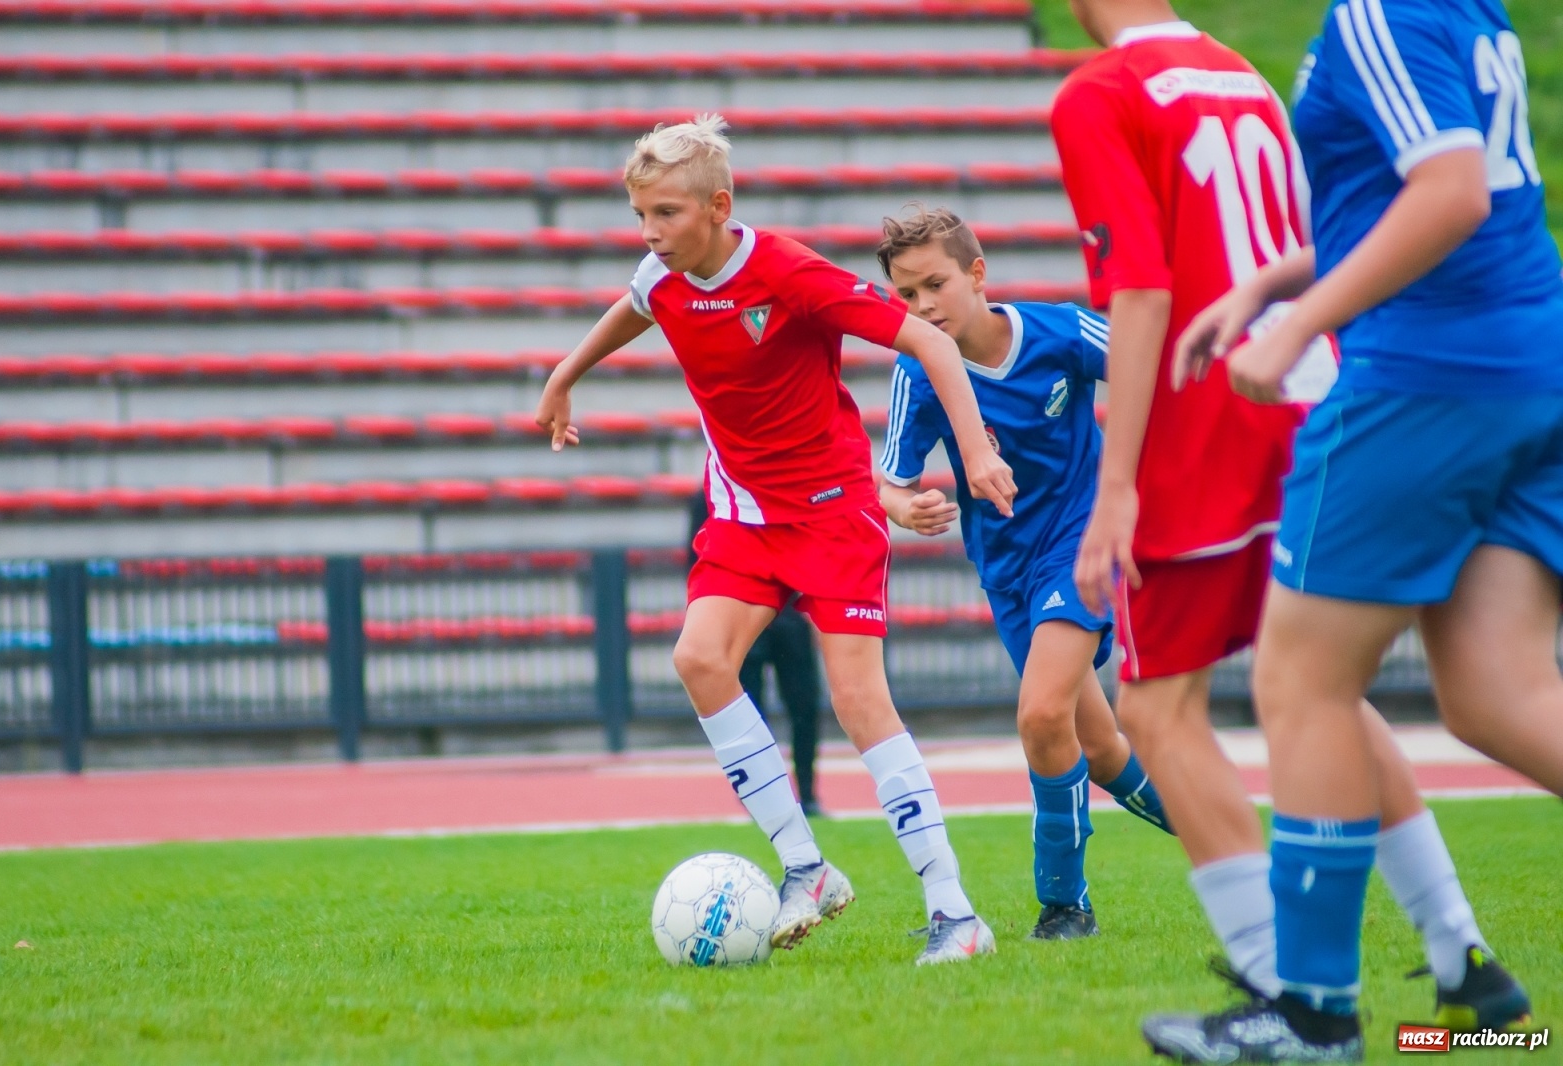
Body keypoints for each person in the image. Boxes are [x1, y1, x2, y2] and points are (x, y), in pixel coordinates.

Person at [1049, 1, 1525, 1057]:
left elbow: (1140, 291)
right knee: (1320, 688)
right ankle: (1461, 955)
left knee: (1157, 707)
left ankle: (1282, 987)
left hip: (1204, 414)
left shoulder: (1100, 92)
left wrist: (1116, 483)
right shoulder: (1242, 70)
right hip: (1308, 396)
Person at [535, 114, 1018, 964]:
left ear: (718, 207)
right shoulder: (662, 274)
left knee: (859, 702)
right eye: (641, 215)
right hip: (743, 515)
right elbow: (636, 305)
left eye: (667, 214)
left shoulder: (789, 271)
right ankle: (806, 867)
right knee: (699, 659)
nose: (650, 233)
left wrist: (975, 452)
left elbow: (927, 344)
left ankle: (955, 915)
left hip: (832, 512)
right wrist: (565, 376)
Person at [872, 206, 1172, 941]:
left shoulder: (1059, 332)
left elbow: (1151, 366)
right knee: (1097, 747)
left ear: (977, 274)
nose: (922, 306)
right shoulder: (917, 369)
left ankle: (1065, 905)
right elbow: (889, 484)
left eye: (935, 285)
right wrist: (907, 510)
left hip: (1082, 543)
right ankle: (1221, 835)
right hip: (1007, 571)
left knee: (1040, 715)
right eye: (906, 295)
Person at [687, 489, 824, 816]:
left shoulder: (786, 487)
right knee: (748, 711)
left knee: (804, 705)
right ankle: (763, 799)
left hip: (789, 613)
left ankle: (808, 793)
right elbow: (698, 558)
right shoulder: (708, 494)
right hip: (740, 611)